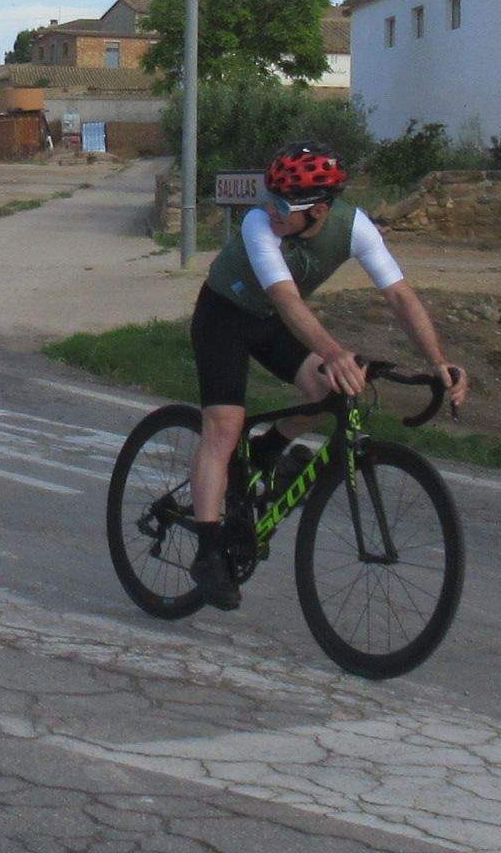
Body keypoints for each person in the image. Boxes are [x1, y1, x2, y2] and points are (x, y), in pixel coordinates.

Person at [185, 141, 468, 611]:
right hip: (224, 317)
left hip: (273, 324)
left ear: (317, 211)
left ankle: (272, 448)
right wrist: (333, 350)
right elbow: (287, 300)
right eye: (267, 198)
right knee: (225, 426)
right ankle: (208, 551)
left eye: (280, 205)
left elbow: (400, 296)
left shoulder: (354, 227)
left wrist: (438, 363)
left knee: (330, 386)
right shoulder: (260, 224)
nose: (268, 210)